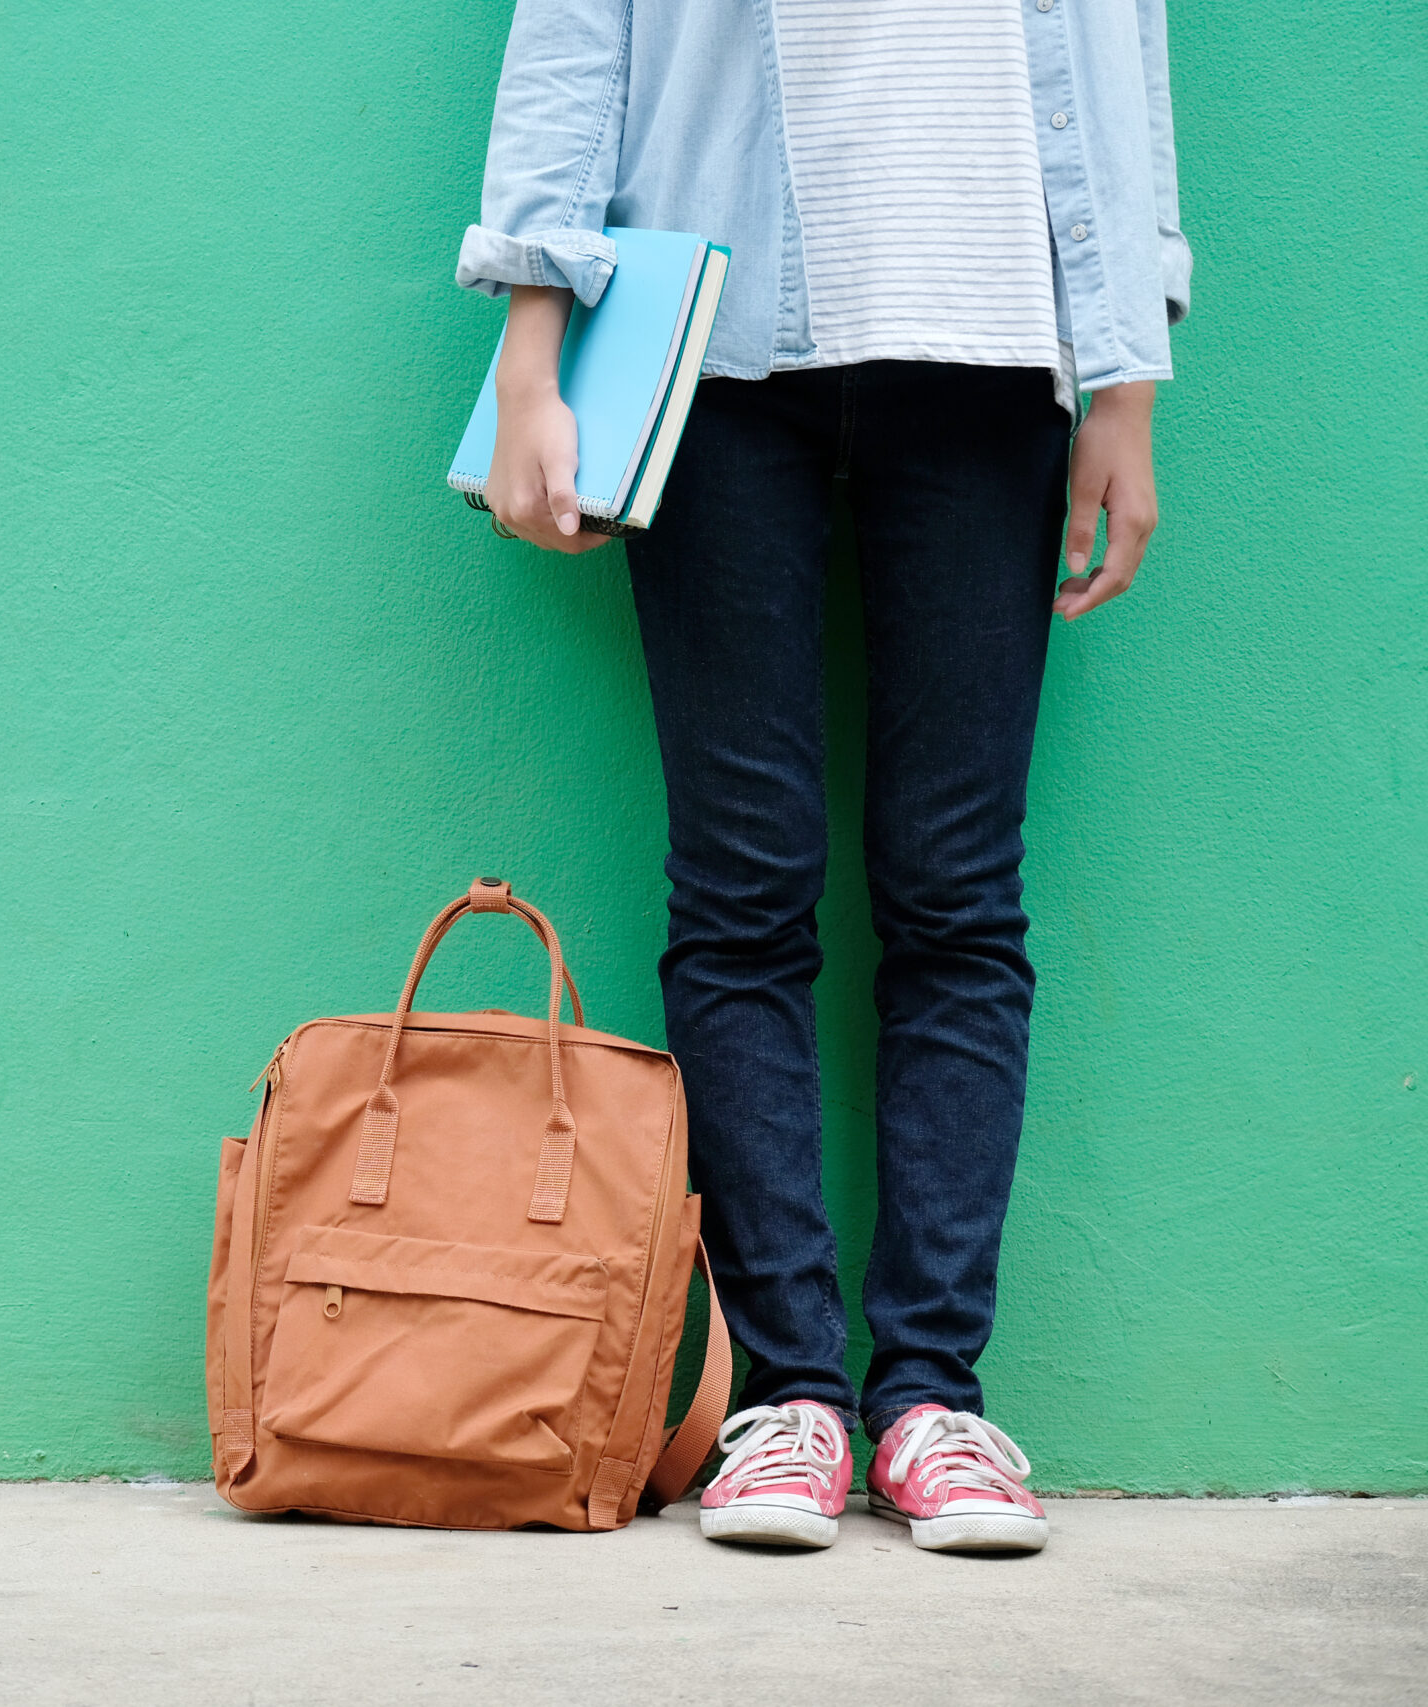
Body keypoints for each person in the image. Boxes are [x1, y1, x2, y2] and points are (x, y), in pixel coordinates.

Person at [462, 0, 1188, 1554]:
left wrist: (1126, 370)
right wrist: (532, 335)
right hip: (716, 349)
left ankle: (933, 1397)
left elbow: (1130, 53)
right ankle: (786, 1398)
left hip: (998, 352)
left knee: (958, 896)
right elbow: (578, 33)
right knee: (739, 888)